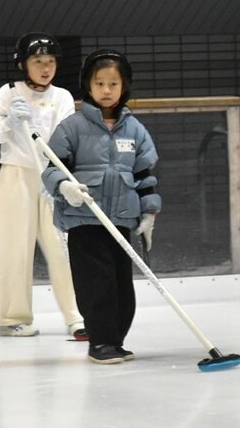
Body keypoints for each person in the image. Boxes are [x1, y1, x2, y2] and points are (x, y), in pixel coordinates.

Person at [41, 50, 161, 365]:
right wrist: (65, 187)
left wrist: (148, 213)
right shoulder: (72, 127)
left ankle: (115, 339)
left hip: (121, 219)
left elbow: (144, 175)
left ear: (124, 87)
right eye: (100, 83)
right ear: (88, 86)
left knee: (122, 285)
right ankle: (101, 341)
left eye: (113, 83)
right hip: (86, 219)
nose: (106, 90)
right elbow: (52, 168)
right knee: (97, 283)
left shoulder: (135, 130)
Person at [0, 33, 86, 340]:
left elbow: (68, 137)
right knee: (15, 248)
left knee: (63, 248)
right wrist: (9, 122)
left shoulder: (62, 97)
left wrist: (61, 175)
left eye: (50, 61)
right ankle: (13, 318)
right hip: (16, 175)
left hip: (52, 176)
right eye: (38, 61)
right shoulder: (9, 93)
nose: (45, 67)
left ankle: (77, 316)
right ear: (23, 64)